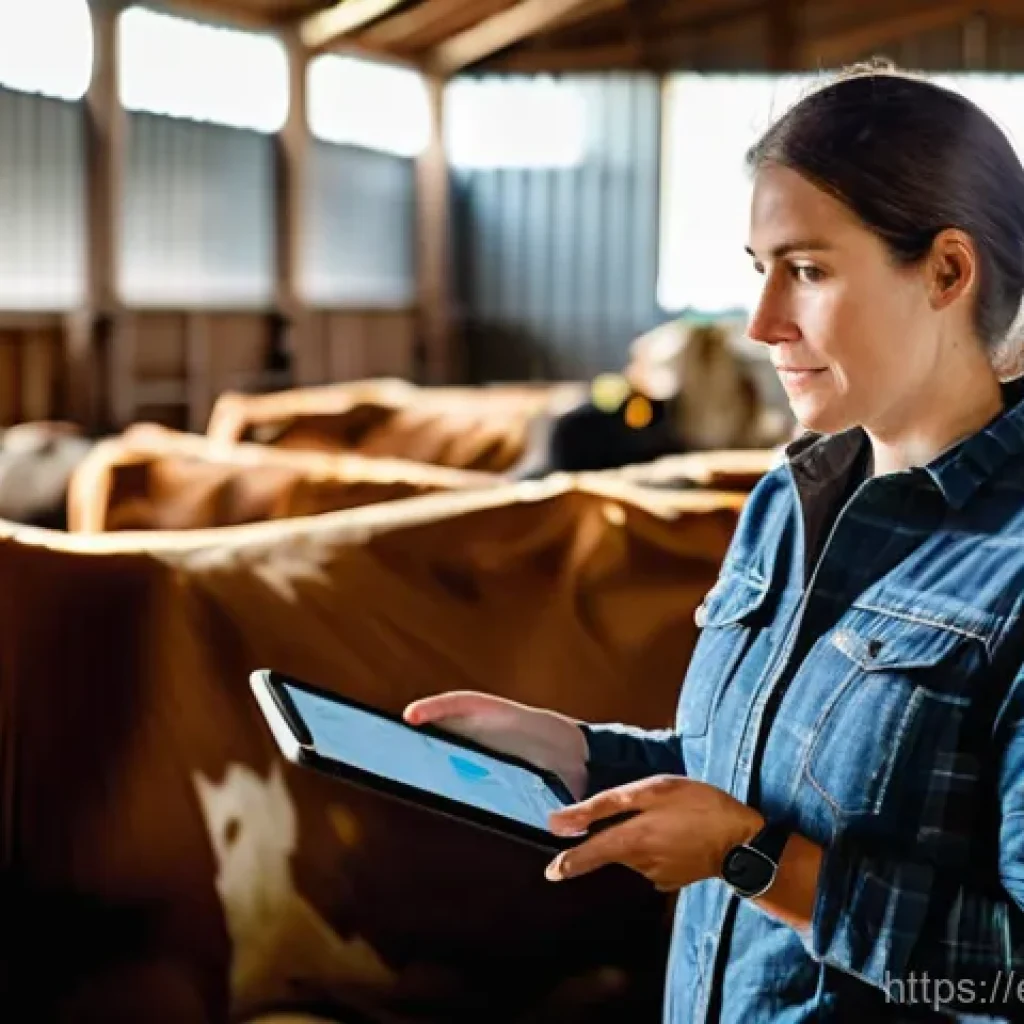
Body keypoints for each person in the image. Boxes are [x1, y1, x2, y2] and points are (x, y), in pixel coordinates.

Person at [405, 63, 1024, 1022]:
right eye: (758, 268)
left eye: (808, 270)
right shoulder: (785, 502)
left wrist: (754, 862)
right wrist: (574, 756)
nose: (763, 322)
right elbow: (739, 779)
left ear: (947, 270)